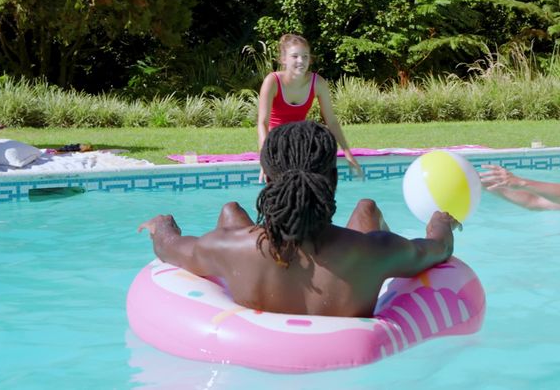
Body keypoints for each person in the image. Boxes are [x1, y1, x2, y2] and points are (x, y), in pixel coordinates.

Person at [138, 121, 461, 318]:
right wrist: (440, 220)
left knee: (230, 213)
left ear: (268, 182)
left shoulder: (228, 247)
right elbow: (438, 247)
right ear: (332, 181)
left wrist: (162, 224)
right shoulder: (376, 251)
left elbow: (169, 247)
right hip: (352, 359)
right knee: (366, 208)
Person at [257, 33, 362, 179]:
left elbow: (331, 121)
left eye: (305, 56)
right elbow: (263, 123)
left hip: (300, 140)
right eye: (295, 56)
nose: (301, 61)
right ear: (283, 59)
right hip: (276, 142)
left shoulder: (317, 83)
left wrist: (347, 153)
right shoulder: (272, 81)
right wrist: (265, 158)